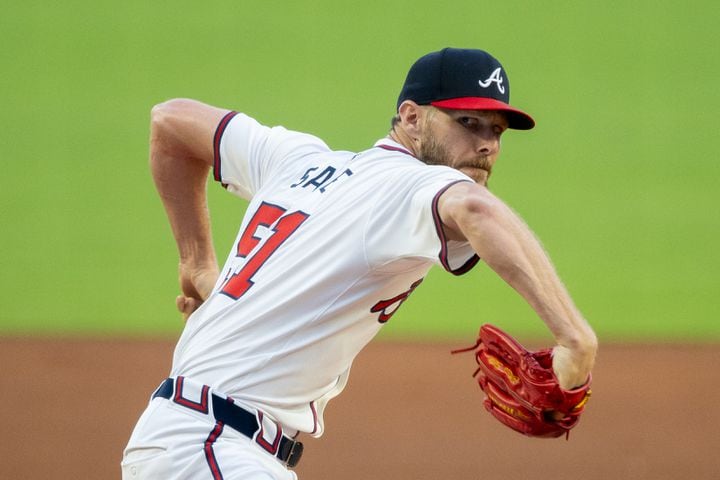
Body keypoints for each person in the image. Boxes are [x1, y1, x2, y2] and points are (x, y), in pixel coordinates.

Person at [121, 47, 597, 480]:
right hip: (209, 450)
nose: (487, 144)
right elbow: (475, 209)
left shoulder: (298, 160)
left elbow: (171, 122)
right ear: (411, 118)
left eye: (496, 130)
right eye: (467, 123)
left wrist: (197, 260)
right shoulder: (407, 186)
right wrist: (575, 338)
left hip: (197, 444)